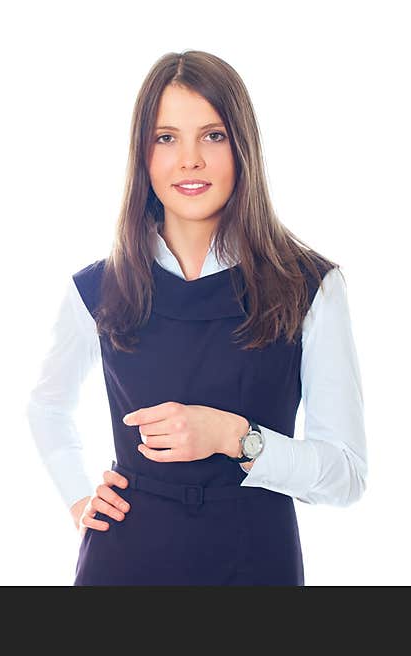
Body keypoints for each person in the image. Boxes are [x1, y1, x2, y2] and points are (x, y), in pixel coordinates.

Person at [25, 50, 367, 586]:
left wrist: (236, 436)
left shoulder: (309, 287)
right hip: (125, 563)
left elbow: (346, 475)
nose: (190, 160)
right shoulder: (98, 288)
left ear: (242, 148)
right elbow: (46, 404)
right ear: (143, 155)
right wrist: (78, 496)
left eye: (212, 136)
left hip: (254, 564)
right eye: (166, 138)